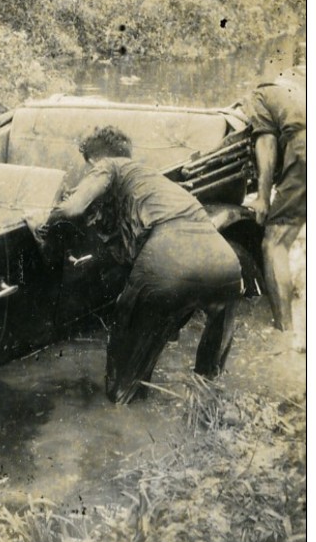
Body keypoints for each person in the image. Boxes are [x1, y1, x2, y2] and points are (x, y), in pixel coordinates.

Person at [34, 125, 243, 404]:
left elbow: (73, 209)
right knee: (208, 384)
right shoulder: (153, 180)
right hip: (226, 263)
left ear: (94, 160)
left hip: (173, 258)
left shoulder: (107, 166)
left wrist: (44, 225)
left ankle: (125, 422)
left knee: (124, 384)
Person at [245, 61, 306, 334]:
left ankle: (284, 331)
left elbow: (266, 145)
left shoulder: (261, 93)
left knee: (274, 243)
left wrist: (262, 198)